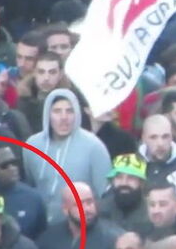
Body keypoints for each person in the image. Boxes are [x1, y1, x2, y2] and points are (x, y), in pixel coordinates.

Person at [24, 89, 112, 224]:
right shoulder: (32, 145)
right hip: (41, 226)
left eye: (69, 111)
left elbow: (105, 196)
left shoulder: (94, 147)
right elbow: (30, 185)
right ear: (48, 114)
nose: (64, 117)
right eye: (57, 111)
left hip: (80, 226)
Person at [138, 113, 176, 199]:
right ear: (144, 138)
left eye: (165, 137)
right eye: (153, 137)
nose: (160, 143)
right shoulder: (131, 167)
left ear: (172, 137)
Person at [98, 154, 150, 232]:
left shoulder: (151, 211)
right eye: (119, 177)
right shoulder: (100, 210)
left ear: (141, 183)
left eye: (131, 178)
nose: (124, 183)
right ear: (112, 181)